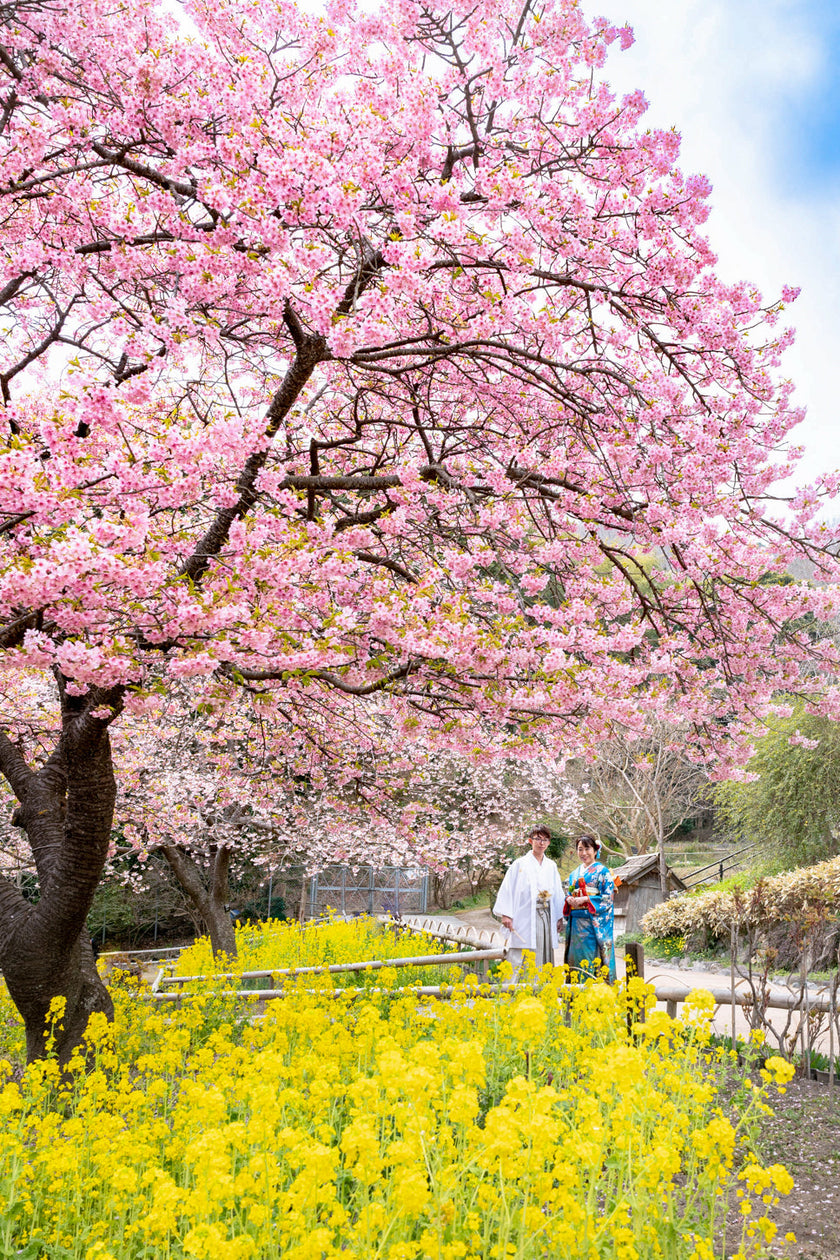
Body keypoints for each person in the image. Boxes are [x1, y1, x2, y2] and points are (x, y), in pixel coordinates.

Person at [493, 826, 565, 979]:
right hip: (524, 915)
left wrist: (559, 916)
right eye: (538, 839)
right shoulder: (519, 864)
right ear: (530, 840)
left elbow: (557, 892)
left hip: (545, 914)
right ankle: (515, 990)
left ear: (549, 843)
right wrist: (506, 914)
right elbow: (508, 889)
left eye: (545, 840)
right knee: (521, 950)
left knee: (543, 950)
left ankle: (541, 987)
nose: (541, 843)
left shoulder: (551, 866)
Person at [564, 834, 616, 983]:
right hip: (575, 925)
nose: (583, 853)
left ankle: (593, 1000)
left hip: (592, 926)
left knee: (592, 960)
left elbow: (608, 898)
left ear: (595, 850)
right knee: (575, 961)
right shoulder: (574, 873)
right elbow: (569, 893)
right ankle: (574, 999)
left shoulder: (603, 871)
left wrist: (586, 899)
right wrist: (569, 899)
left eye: (587, 848)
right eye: (580, 849)